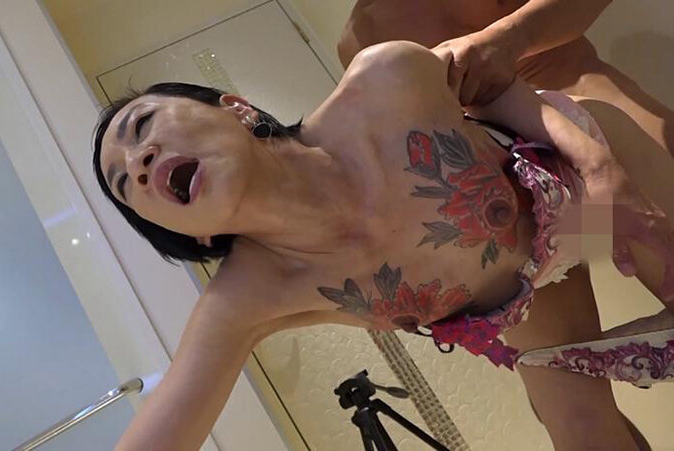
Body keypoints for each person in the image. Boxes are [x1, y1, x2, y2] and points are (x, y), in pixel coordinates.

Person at [93, 42, 674, 450]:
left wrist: (598, 167)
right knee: (585, 433)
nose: (139, 162)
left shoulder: (382, 78)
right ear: (189, 233)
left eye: (141, 127)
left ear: (236, 108)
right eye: (125, 184)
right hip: (527, 288)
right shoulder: (248, 298)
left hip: (587, 170)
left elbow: (495, 89)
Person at [338, 0, 674, 158]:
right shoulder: (361, 43)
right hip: (530, 180)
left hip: (599, 105)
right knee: (594, 262)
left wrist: (511, 38)